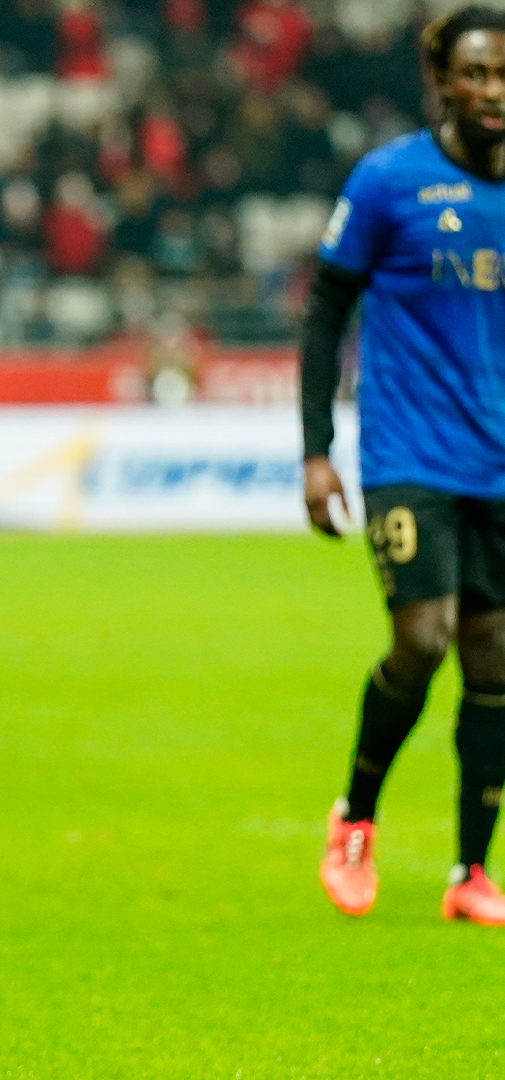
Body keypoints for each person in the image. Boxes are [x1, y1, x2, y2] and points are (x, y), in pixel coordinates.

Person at [303, 6, 505, 925]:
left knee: (494, 663)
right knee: (423, 639)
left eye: (503, 74)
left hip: (499, 465)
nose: (493, 91)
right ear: (442, 81)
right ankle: (356, 818)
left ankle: (471, 871)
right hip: (409, 455)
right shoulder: (389, 181)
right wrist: (316, 451)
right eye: (476, 73)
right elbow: (325, 309)